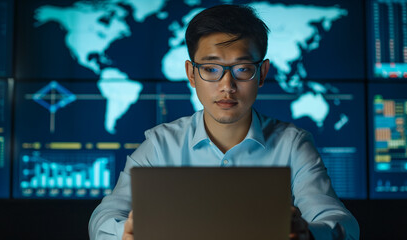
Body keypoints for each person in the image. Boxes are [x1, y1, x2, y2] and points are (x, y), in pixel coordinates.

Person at [89, 4, 359, 240]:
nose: (227, 86)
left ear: (262, 73)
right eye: (210, 69)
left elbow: (341, 222)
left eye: (242, 69)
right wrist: (124, 233)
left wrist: (310, 234)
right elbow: (103, 218)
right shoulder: (161, 144)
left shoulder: (292, 144)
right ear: (191, 74)